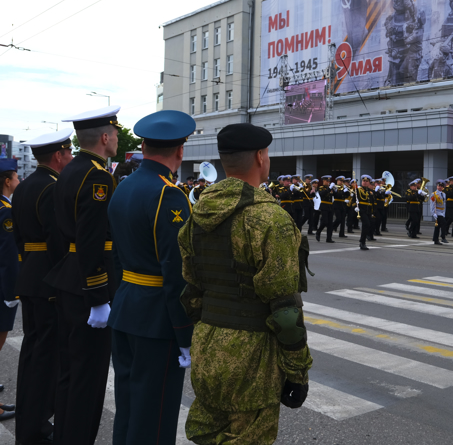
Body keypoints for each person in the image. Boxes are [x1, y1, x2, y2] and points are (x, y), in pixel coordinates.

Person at [178, 123, 312, 444]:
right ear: (261, 156)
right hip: (253, 359)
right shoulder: (269, 220)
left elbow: (190, 292)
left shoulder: (196, 216)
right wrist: (297, 371)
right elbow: (284, 308)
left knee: (208, 435)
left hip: (208, 346)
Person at [107, 110, 196, 444]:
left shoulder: (123, 187)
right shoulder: (167, 194)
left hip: (127, 308)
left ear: (143, 146)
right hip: (157, 320)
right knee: (155, 416)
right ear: (180, 150)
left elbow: (115, 254)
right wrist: (185, 332)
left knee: (129, 407)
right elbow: (177, 272)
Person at [50, 106, 120, 445]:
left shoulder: (69, 170)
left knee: (69, 373)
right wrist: (98, 297)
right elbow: (93, 241)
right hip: (86, 287)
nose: (118, 139)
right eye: (116, 134)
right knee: (87, 381)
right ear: (105, 138)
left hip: (67, 279)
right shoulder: (97, 176)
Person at [12, 130, 74, 443]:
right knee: (46, 359)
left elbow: (19, 238)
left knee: (32, 352)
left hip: (30, 274)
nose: (71, 157)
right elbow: (57, 240)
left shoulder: (23, 187)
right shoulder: (52, 187)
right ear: (58, 155)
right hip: (49, 277)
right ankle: (35, 429)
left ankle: (28, 422)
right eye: (69, 152)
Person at [0, 158, 20, 423]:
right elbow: (8, 256)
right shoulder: (5, 211)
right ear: (7, 181)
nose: (18, 182)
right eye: (16, 177)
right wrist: (11, 293)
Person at [357, 175, 376, 250]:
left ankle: (362, 240)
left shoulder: (370, 191)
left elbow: (372, 202)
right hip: (362, 210)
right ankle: (362, 242)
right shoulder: (358, 190)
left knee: (369, 225)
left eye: (366, 181)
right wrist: (355, 208)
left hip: (368, 211)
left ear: (369, 182)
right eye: (363, 181)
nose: (365, 182)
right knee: (366, 224)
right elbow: (354, 200)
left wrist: (373, 211)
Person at [316, 175, 335, 242]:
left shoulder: (331, 188)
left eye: (329, 181)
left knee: (330, 223)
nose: (328, 182)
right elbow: (321, 194)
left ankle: (329, 238)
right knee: (325, 221)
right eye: (327, 181)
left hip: (330, 206)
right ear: (323, 181)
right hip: (324, 206)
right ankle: (318, 231)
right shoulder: (321, 188)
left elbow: (335, 196)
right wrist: (329, 188)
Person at [430, 180, 448, 245]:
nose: (439, 187)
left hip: (442, 212)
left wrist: (444, 213)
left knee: (437, 226)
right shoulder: (434, 194)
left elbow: (444, 205)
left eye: (441, 186)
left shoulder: (444, 194)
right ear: (437, 186)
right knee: (444, 223)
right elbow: (432, 204)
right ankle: (443, 237)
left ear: (443, 187)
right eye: (438, 186)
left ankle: (435, 239)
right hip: (437, 212)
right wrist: (433, 213)